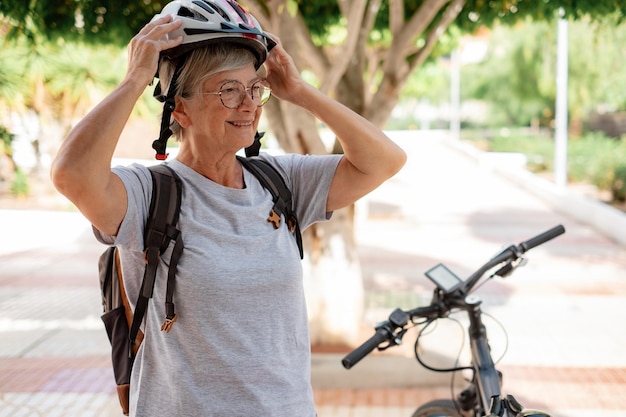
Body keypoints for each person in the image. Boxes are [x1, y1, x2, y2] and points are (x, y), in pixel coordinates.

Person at [51, 0, 406, 416]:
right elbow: (72, 175)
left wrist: (301, 93)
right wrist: (134, 80)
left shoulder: (279, 181)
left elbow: (385, 160)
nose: (249, 104)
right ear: (179, 108)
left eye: (255, 88)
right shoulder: (149, 194)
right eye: (229, 90)